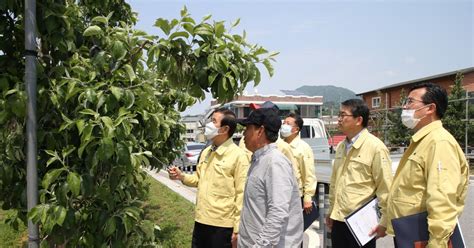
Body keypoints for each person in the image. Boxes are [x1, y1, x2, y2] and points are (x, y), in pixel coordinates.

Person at [383, 83, 469, 247]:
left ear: (430, 108)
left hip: (424, 237)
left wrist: (437, 243)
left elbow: (442, 199)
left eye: (410, 102)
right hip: (408, 233)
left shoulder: (439, 142)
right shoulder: (422, 141)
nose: (405, 107)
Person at [168, 108, 249, 248]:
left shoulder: (239, 157)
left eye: (213, 121)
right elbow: (198, 179)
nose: (208, 125)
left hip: (222, 225)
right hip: (201, 220)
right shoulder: (207, 151)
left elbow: (241, 195)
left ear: (224, 129)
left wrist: (237, 229)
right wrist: (181, 176)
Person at [326, 99, 393, 248]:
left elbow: (385, 187)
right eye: (339, 114)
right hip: (339, 220)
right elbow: (335, 182)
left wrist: (385, 221)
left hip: (361, 224)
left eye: (343, 115)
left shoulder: (376, 147)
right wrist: (331, 211)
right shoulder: (342, 146)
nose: (339, 119)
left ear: (358, 120)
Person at [238, 108, 303, 247]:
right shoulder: (259, 159)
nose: (243, 133)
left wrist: (261, 245)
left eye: (248, 128)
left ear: (260, 131)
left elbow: (278, 212)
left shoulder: (275, 163)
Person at [281, 113, 317, 225]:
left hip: (296, 196)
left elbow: (309, 174)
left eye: (288, 123)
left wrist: (307, 198)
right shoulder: (279, 144)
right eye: (283, 123)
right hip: (282, 194)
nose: (284, 125)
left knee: (295, 231)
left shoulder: (303, 148)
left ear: (296, 129)